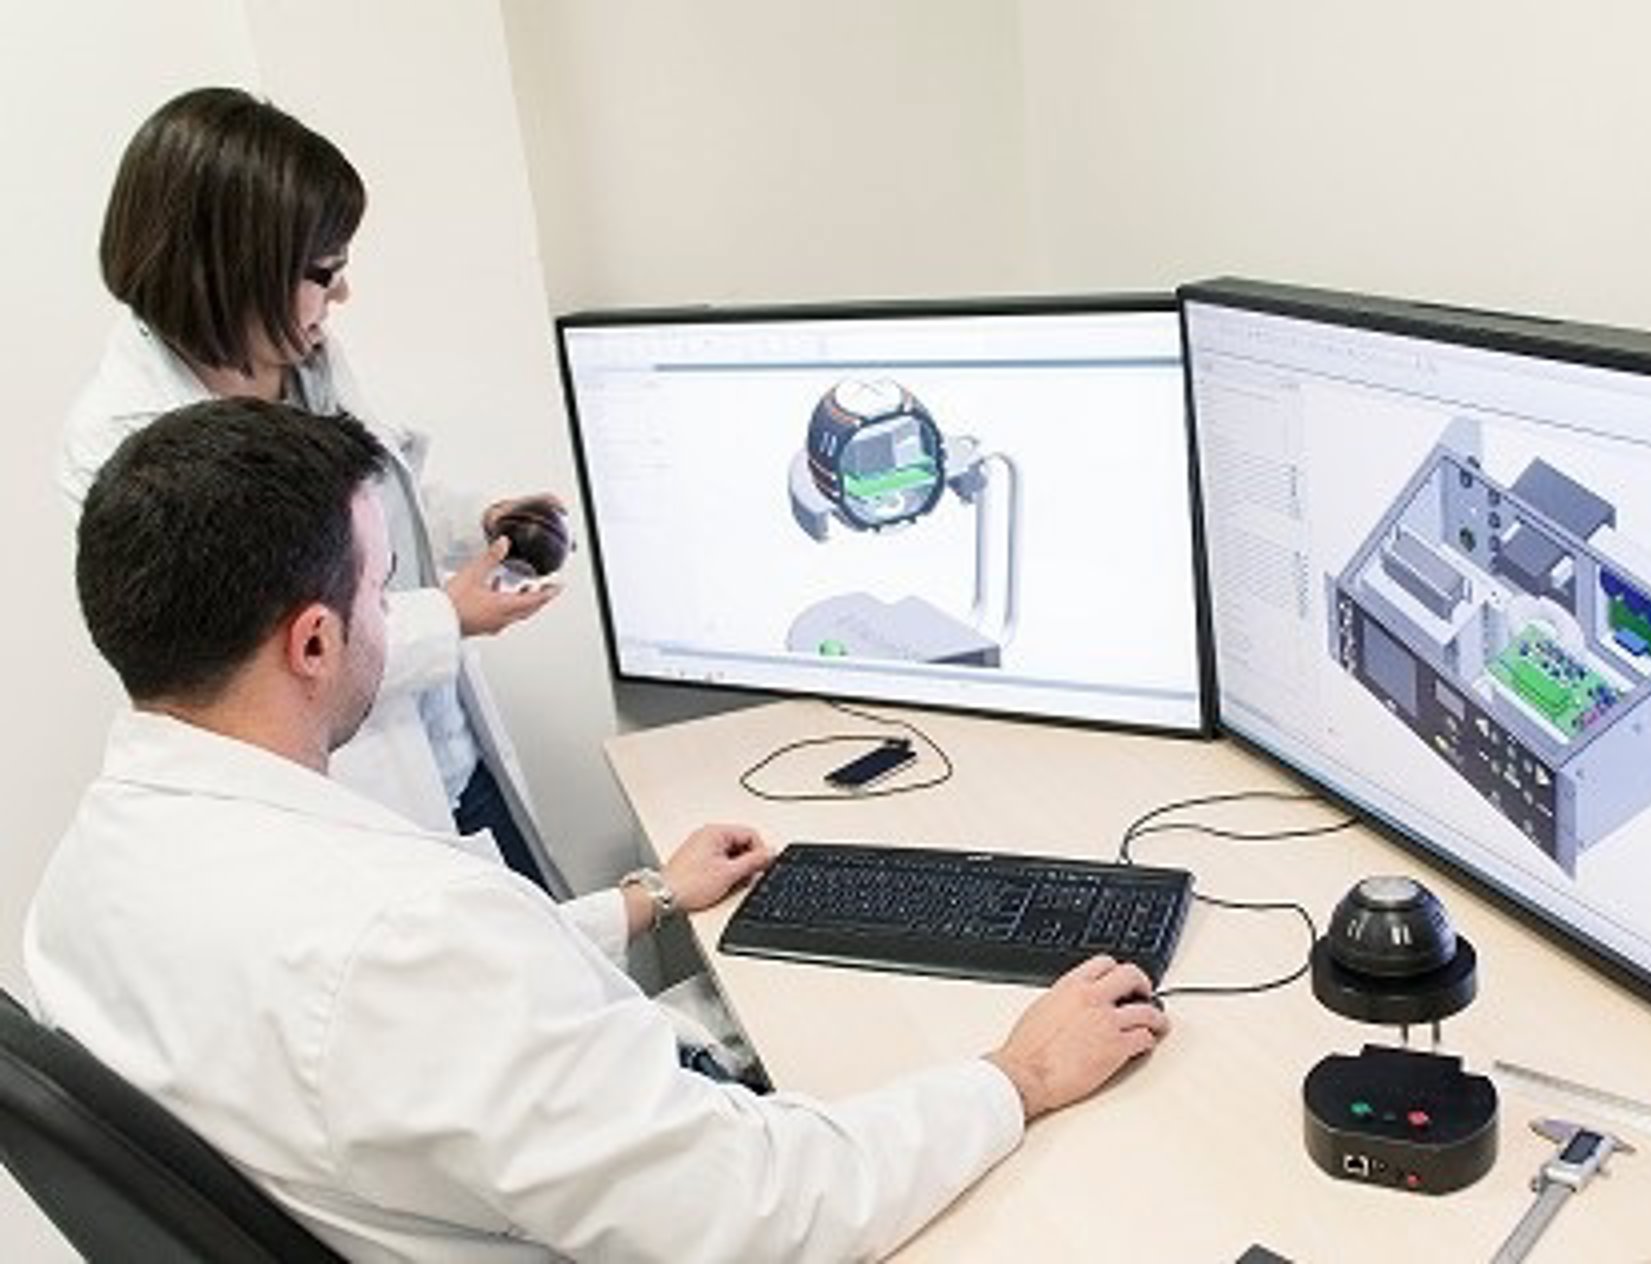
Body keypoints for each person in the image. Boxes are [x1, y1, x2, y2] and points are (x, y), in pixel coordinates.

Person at [27, 398, 1172, 1260]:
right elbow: (758, 1213)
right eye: (382, 589)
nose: (399, 613)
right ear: (315, 642)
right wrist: (1016, 1074)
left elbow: (383, 1017)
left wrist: (646, 899)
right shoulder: (408, 939)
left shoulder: (90, 874)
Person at [57, 84, 664, 967]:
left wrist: (475, 522)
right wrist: (450, 617)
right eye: (321, 269)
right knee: (484, 979)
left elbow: (379, 490)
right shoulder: (135, 446)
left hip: (447, 747)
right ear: (234, 270)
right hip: (355, 782)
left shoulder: (295, 356)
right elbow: (270, 653)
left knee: (544, 961)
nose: (342, 290)